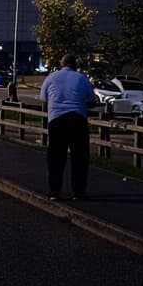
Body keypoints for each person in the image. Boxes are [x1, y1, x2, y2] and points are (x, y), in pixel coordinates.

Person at [39, 53, 98, 200]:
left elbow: (44, 99)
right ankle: (78, 192)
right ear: (75, 65)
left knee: (55, 158)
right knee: (79, 158)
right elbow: (92, 100)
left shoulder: (51, 78)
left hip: (57, 120)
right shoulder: (82, 78)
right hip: (77, 119)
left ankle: (55, 192)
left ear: (61, 64)